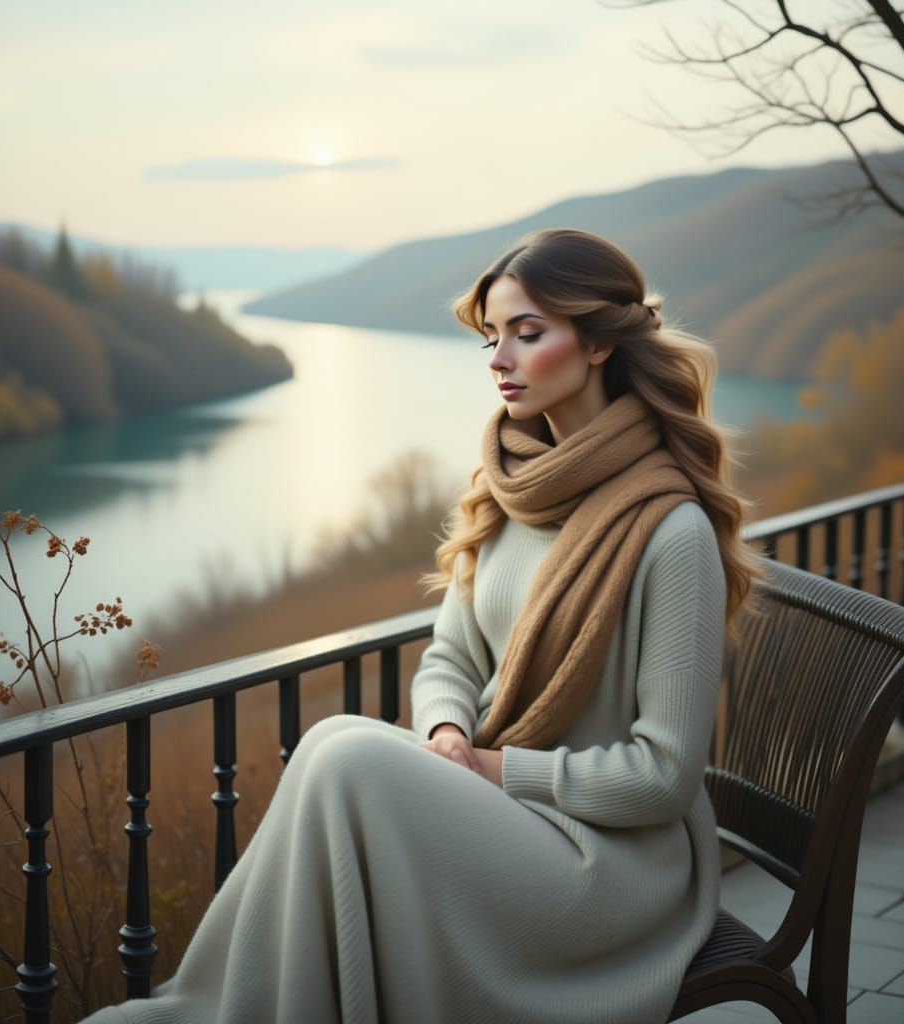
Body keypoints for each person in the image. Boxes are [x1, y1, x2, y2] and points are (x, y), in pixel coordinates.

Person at [81, 227, 767, 1024]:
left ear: (597, 345)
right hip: (517, 818)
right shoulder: (515, 492)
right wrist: (446, 734)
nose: (498, 359)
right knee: (331, 742)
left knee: (353, 764)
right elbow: (450, 654)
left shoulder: (669, 532)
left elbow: (664, 776)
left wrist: (491, 768)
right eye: (492, 337)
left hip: (612, 872)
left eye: (527, 333)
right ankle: (227, 1006)